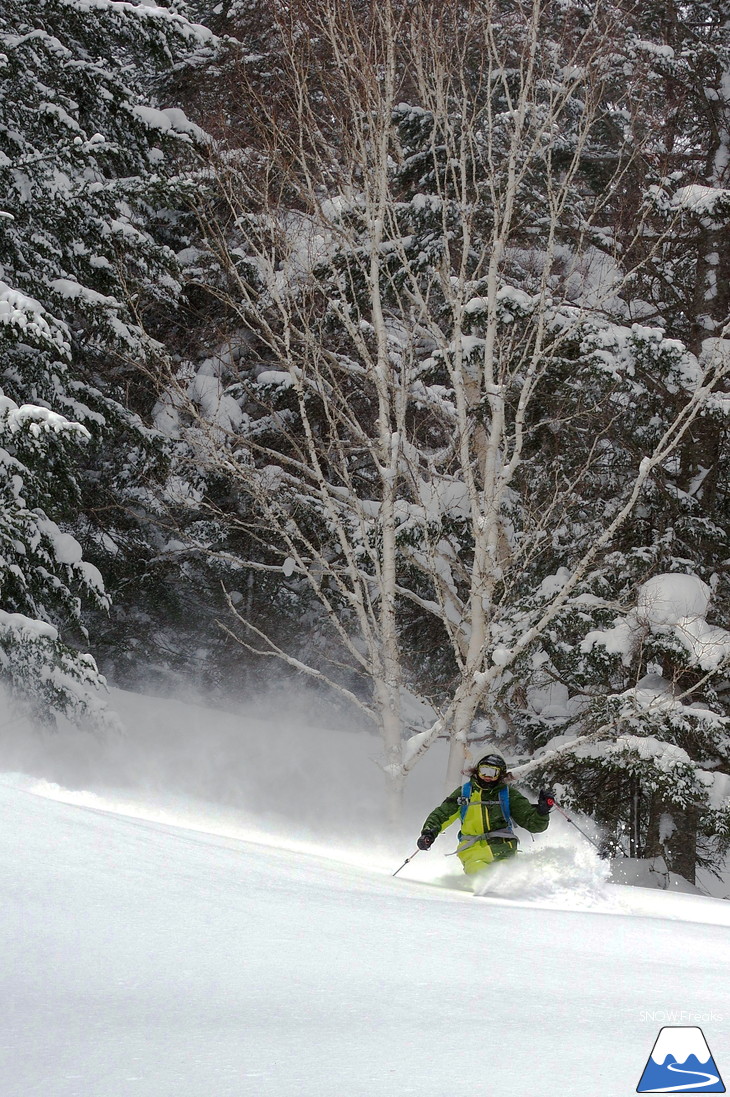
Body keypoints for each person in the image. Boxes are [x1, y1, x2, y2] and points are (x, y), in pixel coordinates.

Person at [416, 752, 553, 875]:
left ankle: (509, 894)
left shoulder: (506, 794)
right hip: (473, 850)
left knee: (507, 875)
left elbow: (533, 824)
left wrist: (542, 812)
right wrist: (429, 833)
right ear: (477, 771)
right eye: (484, 771)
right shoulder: (465, 793)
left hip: (504, 849)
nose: (487, 777)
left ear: (500, 774)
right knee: (480, 873)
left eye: (493, 773)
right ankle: (482, 894)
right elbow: (442, 815)